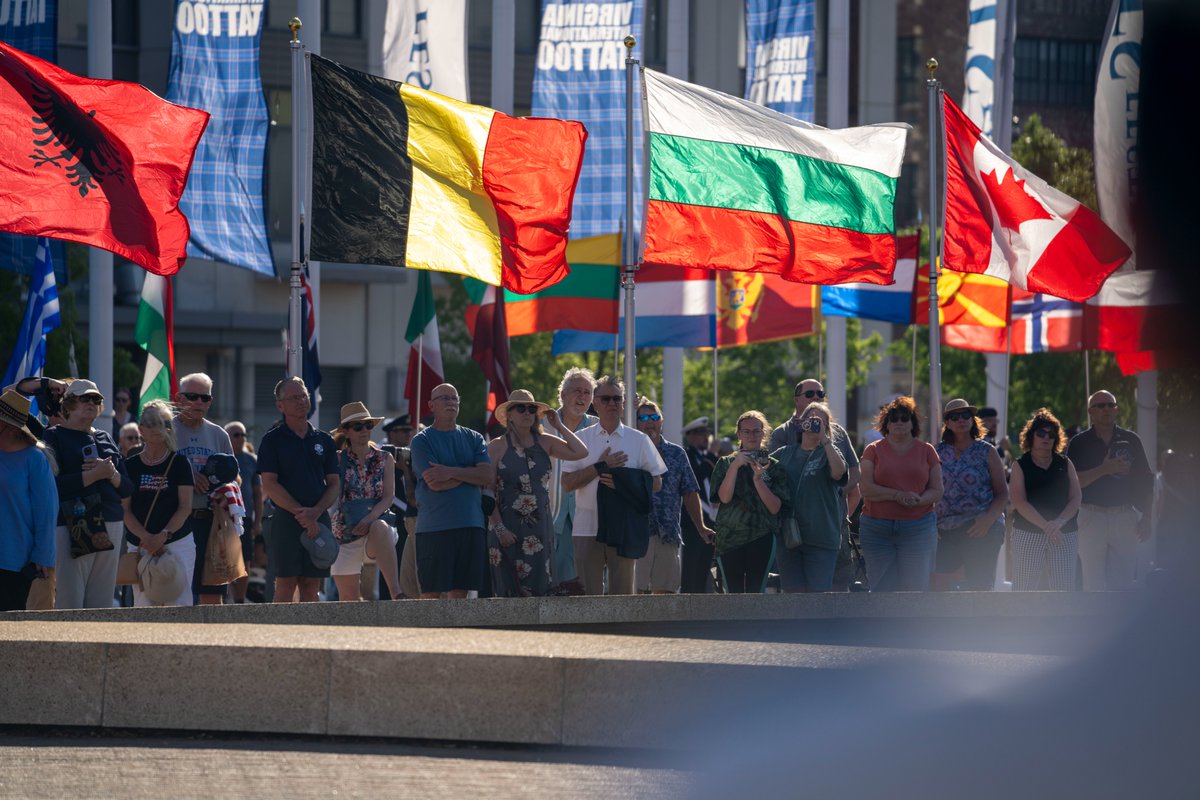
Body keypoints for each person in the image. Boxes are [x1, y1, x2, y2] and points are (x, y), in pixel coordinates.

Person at [560, 376, 666, 596]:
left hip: (625, 528)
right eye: (606, 398)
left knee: (623, 598)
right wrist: (599, 467)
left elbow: (657, 482)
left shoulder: (639, 440)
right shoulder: (580, 438)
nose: (612, 403)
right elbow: (567, 484)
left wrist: (625, 481)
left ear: (624, 403)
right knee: (587, 599)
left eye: (617, 399)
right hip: (587, 528)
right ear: (595, 403)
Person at [486, 390, 588, 597]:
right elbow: (487, 491)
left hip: (540, 527)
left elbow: (581, 452)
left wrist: (559, 426)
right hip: (507, 527)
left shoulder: (545, 442)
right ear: (509, 415)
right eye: (521, 408)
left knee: (542, 588)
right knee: (508, 591)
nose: (527, 412)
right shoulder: (496, 446)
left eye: (532, 409)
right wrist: (500, 529)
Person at [43, 380, 133, 609]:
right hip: (73, 523)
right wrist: (92, 476)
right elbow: (52, 486)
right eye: (85, 398)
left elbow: (126, 488)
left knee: (102, 602)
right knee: (70, 601)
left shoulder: (105, 437)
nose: (92, 403)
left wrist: (110, 473)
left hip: (111, 522)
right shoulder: (53, 437)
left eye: (96, 399)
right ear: (68, 405)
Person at [257, 377, 340, 603]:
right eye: (294, 397)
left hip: (319, 519)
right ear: (280, 405)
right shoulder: (272, 440)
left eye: (304, 396)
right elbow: (270, 484)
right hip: (286, 520)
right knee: (285, 583)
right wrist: (302, 514)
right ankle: (280, 628)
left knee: (311, 585)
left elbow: (334, 484)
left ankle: (310, 628)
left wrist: (315, 512)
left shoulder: (324, 440)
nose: (301, 401)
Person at [410, 383, 493, 599]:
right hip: (434, 527)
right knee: (431, 595)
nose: (451, 402)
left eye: (454, 398)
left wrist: (449, 471)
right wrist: (469, 474)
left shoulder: (474, 438)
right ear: (431, 405)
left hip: (470, 524)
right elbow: (435, 483)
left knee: (460, 596)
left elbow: (487, 476)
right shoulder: (421, 441)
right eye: (445, 398)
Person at [1067, 390, 1154, 591]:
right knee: (1092, 583)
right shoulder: (1079, 443)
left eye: (1110, 405)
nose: (1106, 409)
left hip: (1125, 515)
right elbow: (1072, 483)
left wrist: (1148, 517)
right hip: (1091, 516)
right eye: (1100, 405)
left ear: (1116, 409)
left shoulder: (1132, 440)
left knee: (1124, 584)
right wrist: (1104, 469)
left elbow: (1146, 481)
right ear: (1090, 411)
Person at [858, 396, 943, 592]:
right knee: (882, 590)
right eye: (893, 418)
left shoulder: (927, 451)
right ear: (886, 424)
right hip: (877, 528)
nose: (899, 422)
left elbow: (937, 490)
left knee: (915, 590)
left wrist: (918, 500)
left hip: (918, 528)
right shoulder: (873, 450)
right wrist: (898, 495)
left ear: (913, 423)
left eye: (904, 418)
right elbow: (866, 488)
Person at [121, 400, 196, 606]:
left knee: (179, 604)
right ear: (140, 429)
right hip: (140, 544)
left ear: (168, 428)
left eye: (162, 422)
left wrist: (163, 536)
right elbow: (125, 510)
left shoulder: (180, 463)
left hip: (177, 542)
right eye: (150, 423)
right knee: (143, 605)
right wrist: (147, 539)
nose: (156, 428)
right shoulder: (130, 465)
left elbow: (185, 507)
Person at [635, 400, 714, 594]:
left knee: (665, 595)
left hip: (668, 533)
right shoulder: (629, 449)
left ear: (661, 422)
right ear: (636, 423)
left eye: (654, 417)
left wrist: (701, 527)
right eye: (643, 417)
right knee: (635, 594)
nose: (649, 422)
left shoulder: (677, 453)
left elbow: (690, 492)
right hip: (636, 534)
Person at [932, 399, 1009, 591]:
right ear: (947, 423)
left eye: (966, 415)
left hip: (980, 526)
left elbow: (1002, 493)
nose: (961, 420)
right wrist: (930, 525)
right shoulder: (935, 451)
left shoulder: (987, 450)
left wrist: (987, 520)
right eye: (955, 416)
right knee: (938, 587)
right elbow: (928, 489)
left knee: (979, 588)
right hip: (944, 530)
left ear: (972, 419)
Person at [329, 402, 403, 602]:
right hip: (345, 532)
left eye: (368, 425)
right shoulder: (336, 459)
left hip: (376, 530)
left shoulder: (386, 458)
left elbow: (389, 496)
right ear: (346, 431)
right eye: (358, 426)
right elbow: (330, 495)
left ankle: (397, 593)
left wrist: (370, 518)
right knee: (349, 599)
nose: (365, 430)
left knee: (380, 526)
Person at [773, 402, 848, 592]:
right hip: (789, 538)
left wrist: (825, 439)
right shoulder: (785, 454)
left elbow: (839, 473)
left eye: (819, 421)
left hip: (822, 538)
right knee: (793, 597)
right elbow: (760, 471)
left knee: (818, 599)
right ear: (801, 422)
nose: (813, 424)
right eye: (810, 419)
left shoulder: (830, 452)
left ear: (826, 427)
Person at [709, 411, 788, 593]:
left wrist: (758, 479)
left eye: (756, 431)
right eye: (746, 431)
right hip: (729, 538)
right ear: (739, 434)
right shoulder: (725, 463)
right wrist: (735, 465)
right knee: (733, 592)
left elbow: (775, 508)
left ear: (763, 433)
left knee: (756, 591)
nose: (751, 435)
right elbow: (724, 498)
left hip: (761, 535)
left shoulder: (774, 466)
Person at [173, 373, 234, 605]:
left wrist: (225, 492)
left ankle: (212, 631)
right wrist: (186, 477)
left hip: (211, 521)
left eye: (204, 398)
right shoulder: (165, 432)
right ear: (179, 399)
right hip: (177, 522)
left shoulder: (219, 435)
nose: (199, 402)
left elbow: (234, 478)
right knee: (177, 590)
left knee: (212, 592)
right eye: (192, 396)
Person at [1010, 408, 1082, 591]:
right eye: (1041, 433)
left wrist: (1058, 523)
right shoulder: (1020, 464)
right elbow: (1019, 501)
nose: (1046, 438)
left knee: (1063, 589)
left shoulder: (1065, 463)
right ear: (1031, 436)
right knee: (1024, 589)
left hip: (1064, 531)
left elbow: (1076, 497)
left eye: (1051, 435)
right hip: (1028, 532)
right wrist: (1046, 526)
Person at [0, 390, 57, 612]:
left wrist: (43, 555)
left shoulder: (35, 459)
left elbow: (47, 512)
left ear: (10, 427)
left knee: (10, 625)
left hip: (18, 561)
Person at [546, 367, 598, 595]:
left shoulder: (598, 428)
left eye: (587, 392)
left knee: (584, 584)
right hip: (548, 514)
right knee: (548, 582)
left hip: (587, 516)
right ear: (563, 394)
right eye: (577, 390)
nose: (582, 396)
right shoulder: (543, 424)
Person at [380, 414, 420, 600]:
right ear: (391, 434)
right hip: (393, 521)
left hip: (411, 520)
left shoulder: (415, 457)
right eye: (402, 431)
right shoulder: (383, 458)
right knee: (390, 567)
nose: (408, 434)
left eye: (409, 430)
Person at [225, 420, 263, 603]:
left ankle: (240, 599)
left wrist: (257, 521)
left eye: (243, 435)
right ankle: (228, 596)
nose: (241, 438)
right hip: (224, 518)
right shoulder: (220, 458)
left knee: (245, 558)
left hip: (244, 518)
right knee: (225, 558)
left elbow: (257, 493)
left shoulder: (251, 460)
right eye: (236, 434)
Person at [680, 416, 718, 593]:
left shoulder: (710, 457)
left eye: (706, 433)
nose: (705, 437)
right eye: (701, 433)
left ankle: (700, 598)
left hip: (710, 518)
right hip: (692, 521)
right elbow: (693, 479)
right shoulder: (687, 456)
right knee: (691, 566)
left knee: (704, 565)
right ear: (691, 436)